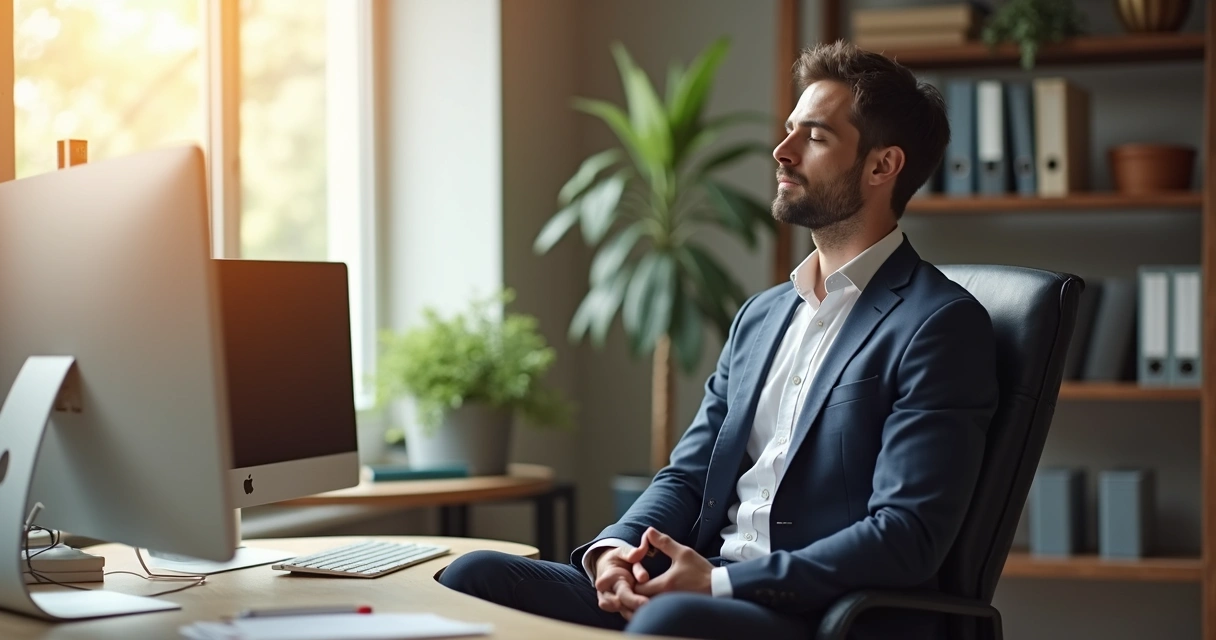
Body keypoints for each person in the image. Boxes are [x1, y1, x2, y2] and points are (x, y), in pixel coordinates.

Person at [439, 40, 999, 640]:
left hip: (811, 613)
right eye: (789, 131)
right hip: (699, 585)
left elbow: (906, 535)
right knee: (474, 576)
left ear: (882, 166)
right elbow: (690, 473)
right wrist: (616, 552)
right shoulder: (762, 316)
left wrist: (717, 584)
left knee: (673, 615)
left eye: (814, 137)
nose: (782, 153)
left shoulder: (937, 323)